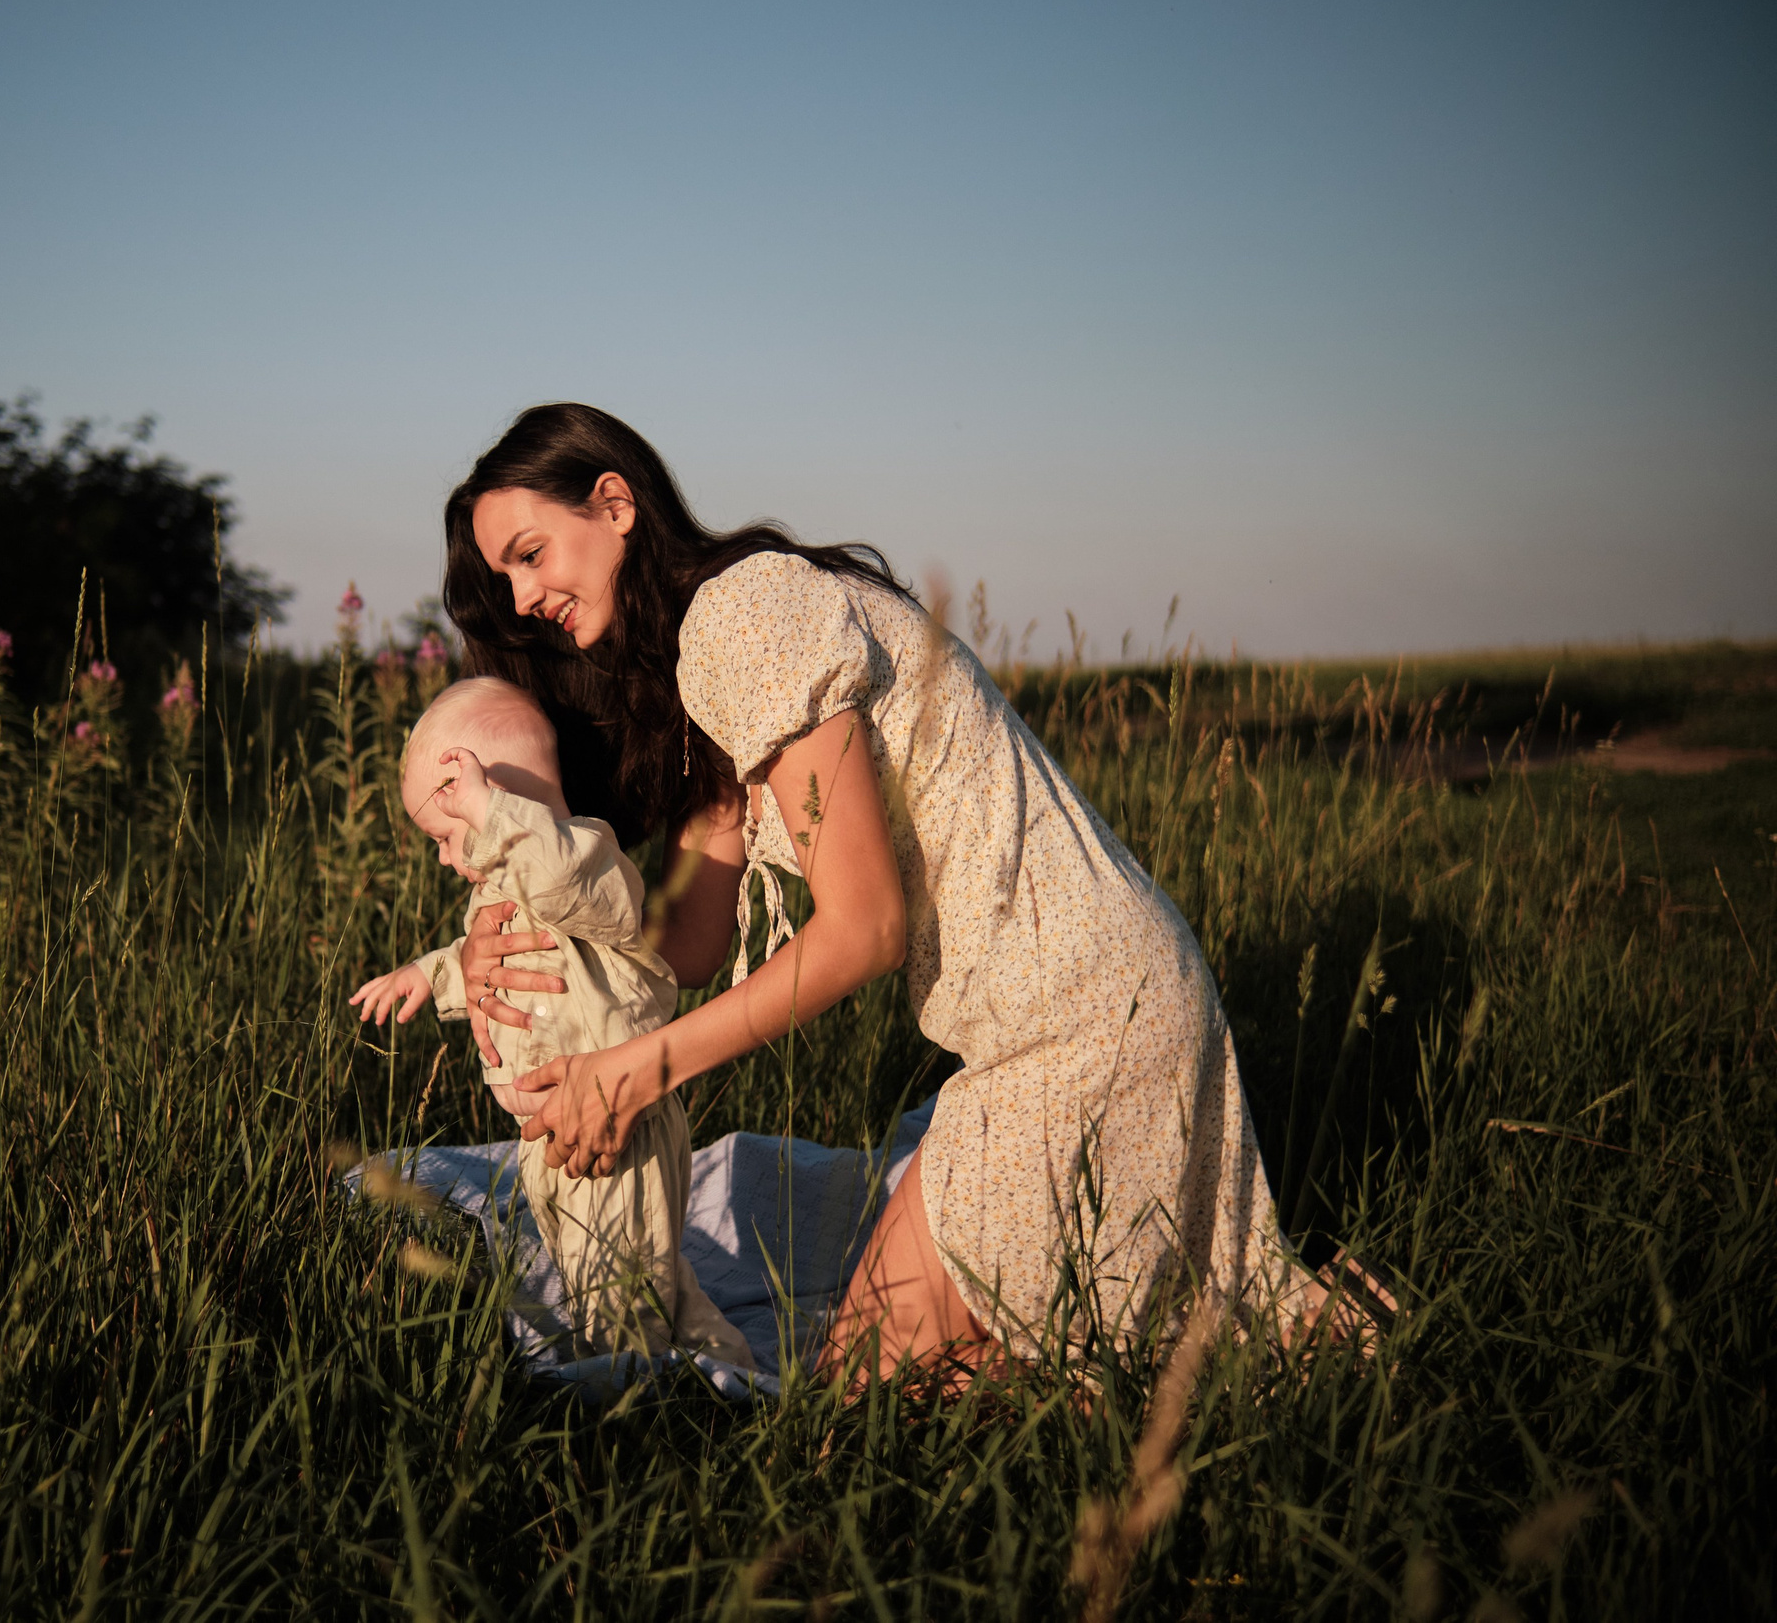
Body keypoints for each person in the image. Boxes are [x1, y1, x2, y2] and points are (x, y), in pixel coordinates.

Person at [436, 403, 1359, 1390]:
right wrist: (523, 939)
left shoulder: (745, 615)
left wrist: (639, 1071)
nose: (526, 594)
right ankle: (1306, 1337)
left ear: (613, 503)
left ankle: (1299, 1346)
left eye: (530, 554)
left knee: (852, 1415)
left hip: (1078, 1024)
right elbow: (687, 942)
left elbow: (864, 928)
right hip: (1054, 1020)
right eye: (507, 578)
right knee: (948, 1392)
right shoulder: (707, 667)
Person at [349, 677, 755, 1367]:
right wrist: (428, 972)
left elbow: (571, 886)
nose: (447, 857)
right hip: (550, 1138)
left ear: (501, 802)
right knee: (625, 1276)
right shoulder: (508, 888)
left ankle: (631, 1408)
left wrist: (492, 812)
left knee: (619, 1293)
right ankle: (725, 1364)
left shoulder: (587, 861)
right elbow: (485, 962)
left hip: (614, 1127)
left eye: (449, 836)